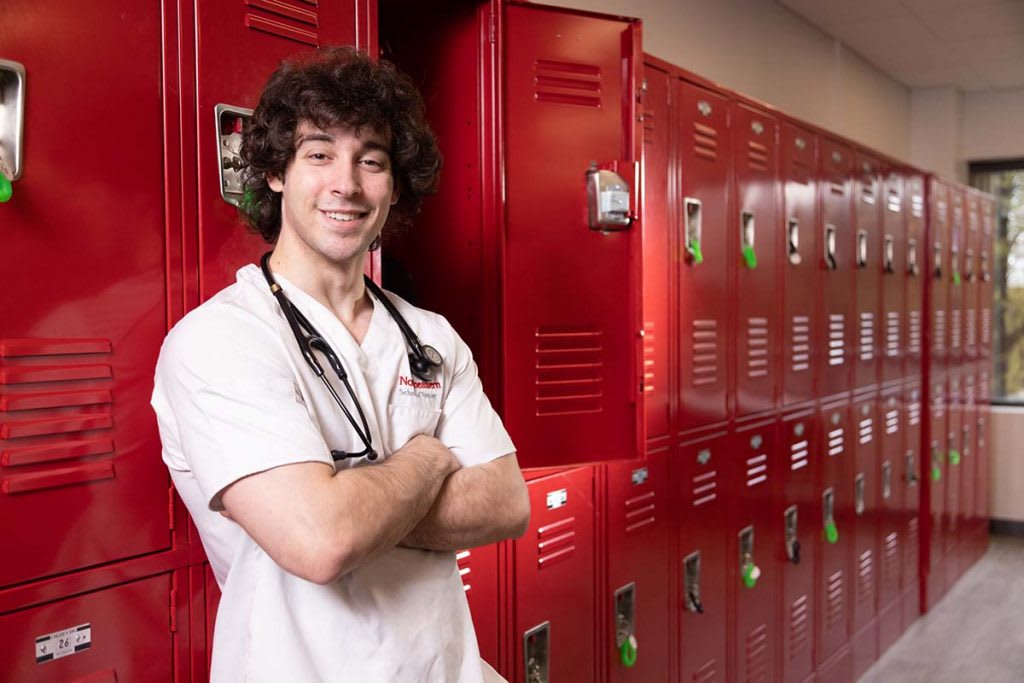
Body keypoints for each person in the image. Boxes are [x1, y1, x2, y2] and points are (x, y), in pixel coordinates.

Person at [151, 47, 530, 682]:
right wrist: (429, 458)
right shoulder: (219, 340)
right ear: (275, 172)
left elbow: (506, 502)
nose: (346, 184)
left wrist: (357, 504)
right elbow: (321, 540)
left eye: (371, 161)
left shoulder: (430, 338)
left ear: (394, 185)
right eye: (319, 153)